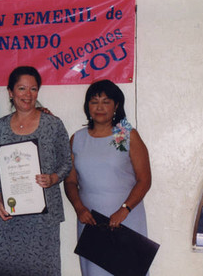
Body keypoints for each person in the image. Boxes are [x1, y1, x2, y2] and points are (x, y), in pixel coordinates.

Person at [0, 66, 71, 276]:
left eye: (33, 89)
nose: (28, 94)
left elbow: (67, 162)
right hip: (9, 215)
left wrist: (53, 178)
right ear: (11, 92)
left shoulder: (53, 124)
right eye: (22, 88)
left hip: (44, 218)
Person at [64, 79, 151, 275]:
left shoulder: (123, 134)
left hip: (125, 220)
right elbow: (70, 181)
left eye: (106, 101)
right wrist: (79, 208)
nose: (100, 107)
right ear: (87, 106)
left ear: (116, 105)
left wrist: (124, 209)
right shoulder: (78, 139)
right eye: (94, 101)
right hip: (91, 223)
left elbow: (144, 180)